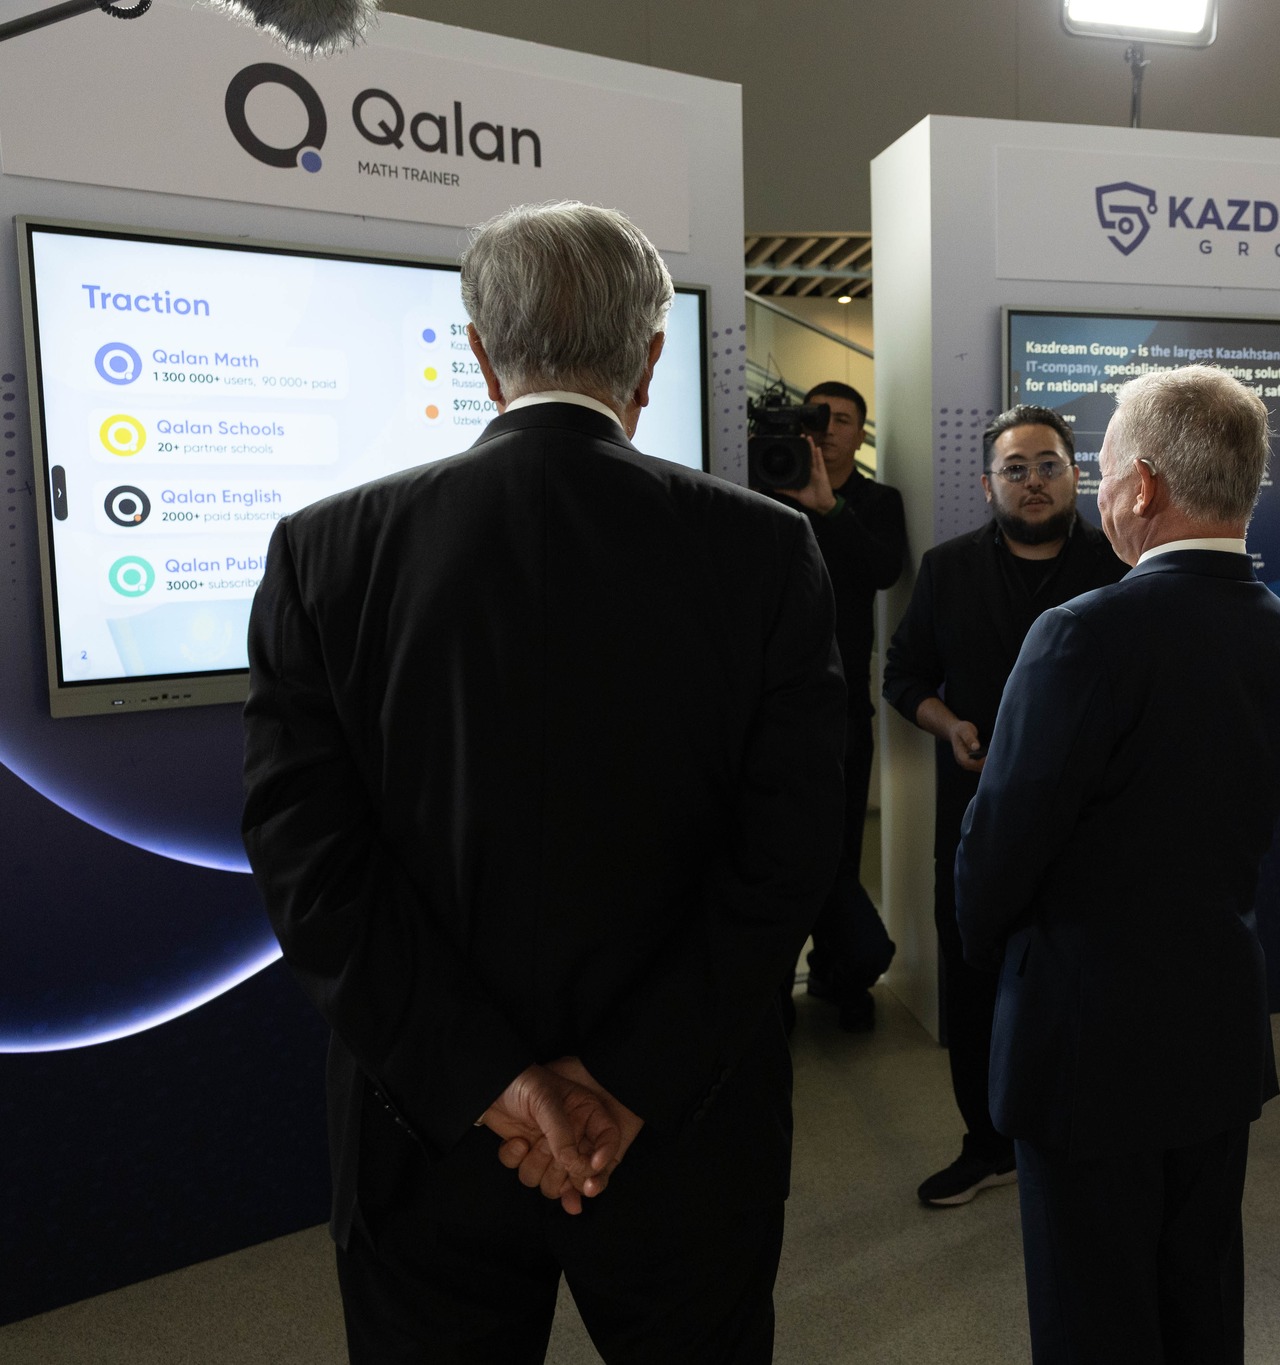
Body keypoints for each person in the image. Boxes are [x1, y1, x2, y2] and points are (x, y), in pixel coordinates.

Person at [242, 202, 844, 1364]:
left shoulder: (325, 550)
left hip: (424, 1126)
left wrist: (491, 1082)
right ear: (650, 361)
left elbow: (306, 859)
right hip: (683, 1127)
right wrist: (622, 1081)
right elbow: (792, 847)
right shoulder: (766, 549)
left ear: (480, 353)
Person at [955, 368, 1280, 1364]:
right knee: (1199, 1307)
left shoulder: (1082, 631)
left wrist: (988, 953)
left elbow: (998, 852)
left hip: (1087, 1046)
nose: (1097, 493)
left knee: (1094, 1323)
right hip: (1216, 1029)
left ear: (1142, 487)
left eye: (1102, 471)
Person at [881, 404, 1127, 1208]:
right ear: (988, 484)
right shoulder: (948, 569)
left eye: (1048, 464)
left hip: (1095, 825)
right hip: (978, 817)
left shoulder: (1120, 567)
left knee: (1089, 978)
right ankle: (986, 1146)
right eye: (1014, 469)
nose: (1033, 481)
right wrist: (949, 724)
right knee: (975, 978)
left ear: (1076, 475)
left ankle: (1087, 1135)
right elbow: (903, 676)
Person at [776, 379, 907, 1031]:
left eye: (844, 420)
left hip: (846, 701)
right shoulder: (771, 490)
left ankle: (839, 971)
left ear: (861, 434)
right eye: (817, 417)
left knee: (843, 845)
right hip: (774, 701)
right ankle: (774, 986)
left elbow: (883, 569)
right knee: (775, 846)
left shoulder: (878, 502)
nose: (828, 429)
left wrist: (830, 507)